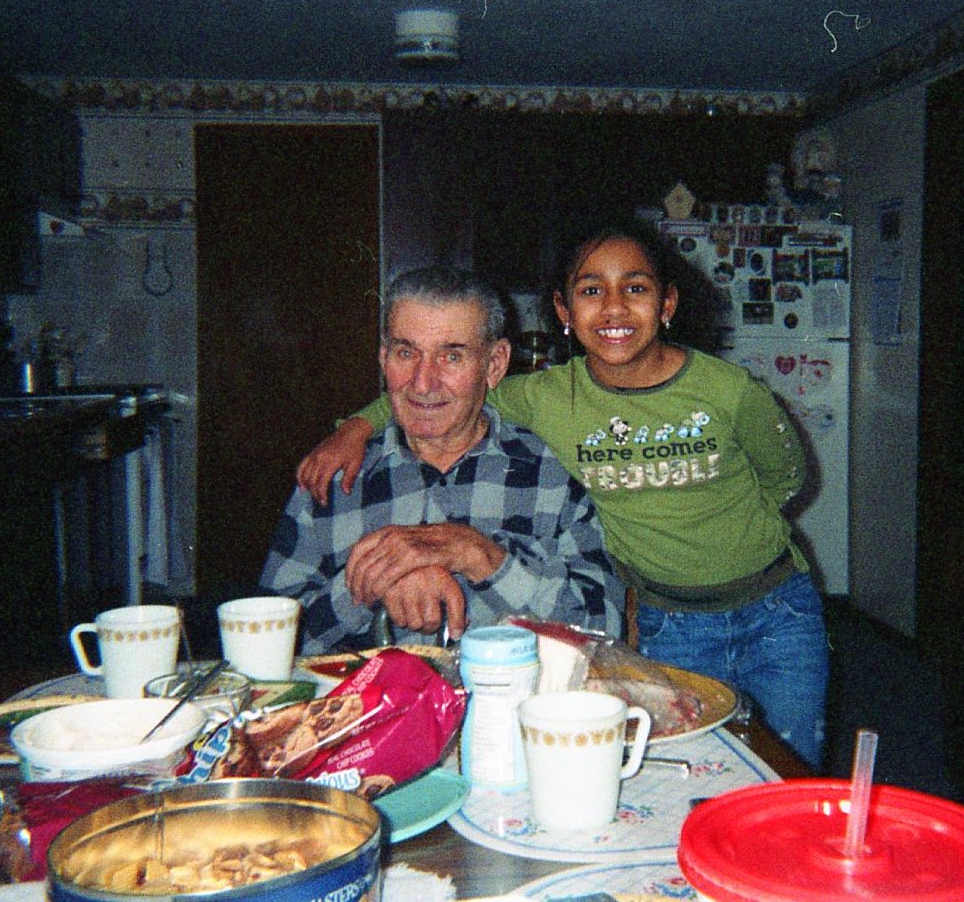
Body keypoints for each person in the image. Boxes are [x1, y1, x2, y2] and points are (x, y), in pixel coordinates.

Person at [300, 222, 830, 765]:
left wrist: (719, 525)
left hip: (776, 609)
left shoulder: (728, 390)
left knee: (790, 766)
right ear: (564, 311)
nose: (615, 307)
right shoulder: (547, 397)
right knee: (696, 765)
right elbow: (437, 389)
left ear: (667, 303)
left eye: (636, 287)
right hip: (666, 620)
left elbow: (786, 478)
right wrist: (357, 427)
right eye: (591, 290)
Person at [261, 266, 622, 654]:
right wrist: (370, 584)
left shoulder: (548, 475)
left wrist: (480, 556)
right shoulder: (334, 478)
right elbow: (268, 640)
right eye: (406, 353)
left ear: (495, 364)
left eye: (451, 356)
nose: (422, 382)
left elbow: (605, 632)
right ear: (384, 358)